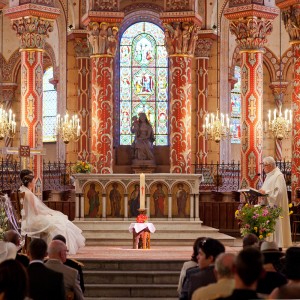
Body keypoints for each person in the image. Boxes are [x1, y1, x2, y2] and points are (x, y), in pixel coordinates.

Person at [19, 175, 85, 254]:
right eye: (33, 181)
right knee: (59, 224)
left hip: (31, 218)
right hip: (34, 219)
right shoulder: (29, 194)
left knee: (60, 220)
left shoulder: (24, 192)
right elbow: (36, 211)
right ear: (29, 183)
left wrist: (48, 213)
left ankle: (56, 248)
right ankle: (56, 249)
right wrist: (47, 213)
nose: (35, 183)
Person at [258, 156, 292, 248]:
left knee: (276, 226)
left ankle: (277, 244)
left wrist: (266, 193)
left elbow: (279, 192)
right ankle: (268, 243)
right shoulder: (270, 175)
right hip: (268, 206)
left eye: (264, 165)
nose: (263, 168)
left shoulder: (278, 175)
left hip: (276, 208)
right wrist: (261, 192)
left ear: (270, 165)